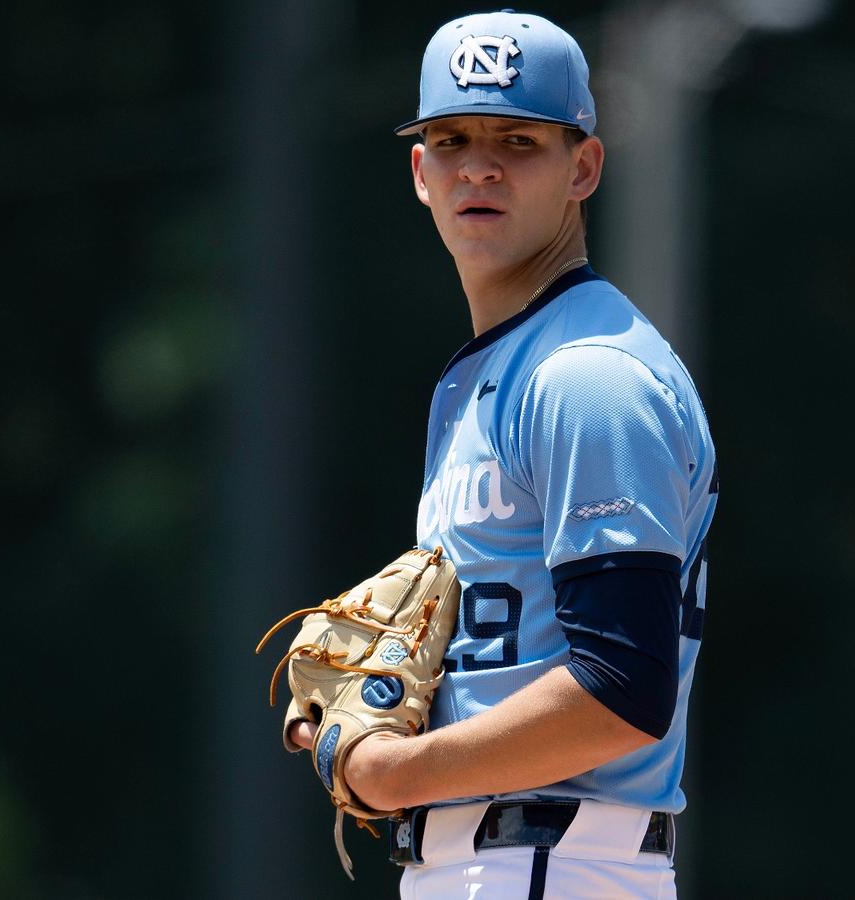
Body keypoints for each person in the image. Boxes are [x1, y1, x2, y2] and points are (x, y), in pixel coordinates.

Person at [288, 10, 717, 897]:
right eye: (451, 138)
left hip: (554, 861)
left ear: (583, 167)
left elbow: (623, 688)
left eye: (518, 140)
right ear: (420, 173)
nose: (478, 165)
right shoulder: (500, 370)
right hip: (501, 861)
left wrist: (390, 774)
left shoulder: (586, 376)